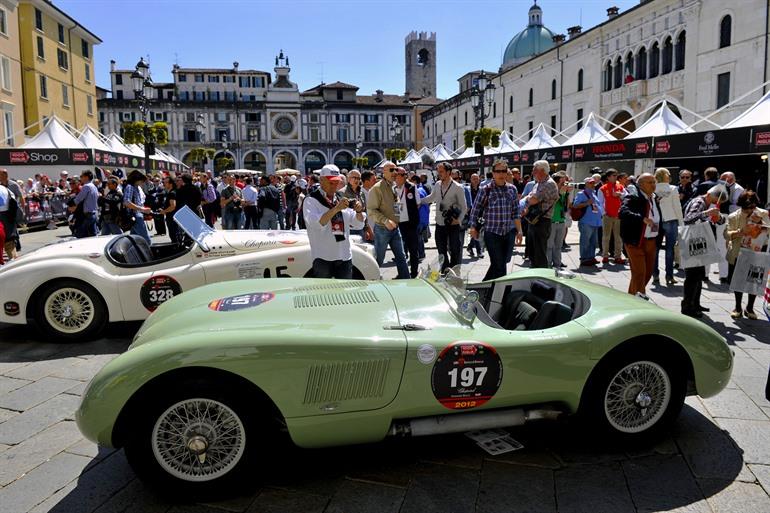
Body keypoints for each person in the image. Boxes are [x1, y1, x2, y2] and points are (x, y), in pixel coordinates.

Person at [303, 165, 365, 278]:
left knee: (344, 288)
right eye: (331, 182)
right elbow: (316, 223)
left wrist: (359, 211)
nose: (334, 186)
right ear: (321, 180)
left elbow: (358, 224)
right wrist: (336, 209)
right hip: (323, 257)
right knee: (324, 289)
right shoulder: (311, 200)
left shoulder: (341, 197)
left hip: (344, 255)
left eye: (337, 182)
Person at [468, 159, 523, 281]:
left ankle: (485, 285)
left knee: (501, 263)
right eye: (498, 171)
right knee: (499, 265)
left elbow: (516, 212)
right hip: (492, 233)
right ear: (493, 173)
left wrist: (519, 230)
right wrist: (472, 227)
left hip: (508, 233)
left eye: (504, 171)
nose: (501, 174)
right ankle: (500, 289)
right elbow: (475, 209)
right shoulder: (485, 189)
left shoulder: (512, 189)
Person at [681, 185, 728, 318]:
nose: (716, 204)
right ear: (709, 195)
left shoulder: (708, 203)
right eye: (715, 201)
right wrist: (706, 213)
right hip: (693, 242)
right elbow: (688, 218)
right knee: (692, 276)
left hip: (700, 242)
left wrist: (718, 218)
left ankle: (695, 303)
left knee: (699, 275)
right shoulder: (699, 202)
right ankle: (687, 306)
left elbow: (720, 221)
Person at [724, 191, 769, 319]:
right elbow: (726, 234)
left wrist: (760, 223)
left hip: (757, 252)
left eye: (752, 207)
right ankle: (737, 307)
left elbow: (768, 231)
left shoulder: (763, 213)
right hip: (739, 251)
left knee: (754, 280)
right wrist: (741, 232)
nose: (749, 210)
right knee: (737, 280)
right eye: (746, 208)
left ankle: (750, 308)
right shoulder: (734, 216)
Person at [420, 162, 468, 272]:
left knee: (455, 249)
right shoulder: (437, 184)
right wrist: (419, 201)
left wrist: (458, 220)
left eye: (441, 171)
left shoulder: (458, 187)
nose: (439, 173)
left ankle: (454, 271)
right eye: (438, 171)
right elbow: (431, 198)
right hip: (439, 223)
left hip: (452, 224)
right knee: (441, 250)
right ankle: (446, 270)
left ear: (448, 172)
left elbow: (464, 207)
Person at [619, 174, 661, 296]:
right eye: (650, 182)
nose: (653, 185)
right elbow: (623, 212)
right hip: (635, 240)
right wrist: (642, 219)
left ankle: (632, 297)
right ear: (640, 185)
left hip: (651, 240)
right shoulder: (633, 196)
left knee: (647, 273)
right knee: (639, 273)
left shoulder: (654, 197)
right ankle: (640, 298)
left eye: (654, 182)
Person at [367, 161, 410, 279]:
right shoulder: (377, 188)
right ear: (384, 172)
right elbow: (371, 210)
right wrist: (386, 221)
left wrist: (398, 216)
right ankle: (371, 279)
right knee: (379, 258)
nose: (395, 172)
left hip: (395, 228)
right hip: (382, 229)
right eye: (391, 170)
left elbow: (396, 205)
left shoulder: (393, 186)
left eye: (396, 169)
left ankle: (405, 278)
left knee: (401, 257)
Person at [522, 161, 559, 268]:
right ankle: (534, 273)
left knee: (539, 254)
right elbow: (530, 198)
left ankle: (541, 276)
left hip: (542, 222)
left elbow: (533, 199)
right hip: (534, 220)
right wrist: (529, 199)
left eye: (535, 170)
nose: (532, 172)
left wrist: (528, 198)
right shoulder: (539, 183)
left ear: (542, 171)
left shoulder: (549, 184)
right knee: (532, 253)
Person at [652, 168, 684, 286]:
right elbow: (677, 207)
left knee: (655, 249)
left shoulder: (653, 188)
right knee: (670, 249)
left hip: (656, 221)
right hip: (671, 220)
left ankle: (655, 274)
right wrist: (681, 223)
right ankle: (669, 276)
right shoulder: (672, 188)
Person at [393, 166, 421, 278]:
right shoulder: (393, 188)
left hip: (411, 223)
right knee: (400, 251)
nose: (404, 176)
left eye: (405, 174)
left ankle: (414, 272)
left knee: (413, 249)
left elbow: (418, 204)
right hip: (399, 223)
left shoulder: (411, 187)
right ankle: (402, 273)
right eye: (401, 174)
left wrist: (410, 213)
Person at [573, 176, 604, 266]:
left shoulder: (594, 193)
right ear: (586, 184)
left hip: (595, 222)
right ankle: (584, 258)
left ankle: (591, 257)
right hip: (586, 221)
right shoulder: (581, 194)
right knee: (585, 241)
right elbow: (575, 205)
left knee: (593, 242)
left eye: (593, 183)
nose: (593, 184)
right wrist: (587, 203)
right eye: (591, 183)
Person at [599, 169, 626, 265]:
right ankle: (605, 256)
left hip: (618, 215)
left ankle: (618, 256)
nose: (615, 177)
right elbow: (600, 202)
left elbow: (627, 196)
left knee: (618, 237)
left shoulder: (620, 186)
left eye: (616, 175)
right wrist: (604, 213)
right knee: (606, 237)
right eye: (614, 175)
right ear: (608, 177)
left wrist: (620, 194)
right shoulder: (603, 188)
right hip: (607, 215)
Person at [547, 171, 570, 269]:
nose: (564, 184)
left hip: (561, 220)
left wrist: (567, 194)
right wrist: (560, 193)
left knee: (558, 245)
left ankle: (557, 263)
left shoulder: (564, 192)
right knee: (549, 245)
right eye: (562, 182)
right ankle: (548, 265)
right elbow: (552, 202)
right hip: (551, 221)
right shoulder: (552, 191)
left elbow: (566, 207)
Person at [123, 170, 152, 243]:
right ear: (137, 179)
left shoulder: (136, 187)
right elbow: (126, 202)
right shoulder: (130, 187)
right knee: (146, 239)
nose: (143, 183)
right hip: (135, 215)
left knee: (134, 240)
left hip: (136, 215)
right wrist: (142, 209)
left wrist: (143, 209)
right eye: (142, 181)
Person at [70, 170, 99, 238]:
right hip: (94, 213)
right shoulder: (94, 186)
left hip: (88, 214)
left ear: (86, 177)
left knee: (79, 234)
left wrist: (71, 203)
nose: (80, 178)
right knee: (93, 235)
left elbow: (78, 199)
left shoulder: (86, 186)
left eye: (81, 176)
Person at [341, 169, 368, 239]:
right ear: (348, 178)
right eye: (354, 178)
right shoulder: (342, 192)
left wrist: (366, 229)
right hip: (349, 228)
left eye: (359, 178)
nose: (357, 180)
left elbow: (365, 211)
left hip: (360, 227)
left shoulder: (361, 193)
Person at [465, 173, 484, 258]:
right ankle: (479, 251)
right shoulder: (468, 190)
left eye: (477, 179)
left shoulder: (481, 189)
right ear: (471, 180)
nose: (475, 180)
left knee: (477, 230)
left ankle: (470, 246)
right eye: (474, 179)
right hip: (471, 213)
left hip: (480, 213)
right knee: (476, 230)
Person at [158, 176, 178, 242]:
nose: (164, 184)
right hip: (172, 217)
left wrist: (164, 211)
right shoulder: (170, 192)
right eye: (163, 182)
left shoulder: (172, 193)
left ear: (171, 184)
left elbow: (173, 206)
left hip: (172, 217)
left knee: (174, 236)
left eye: (166, 182)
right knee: (174, 235)